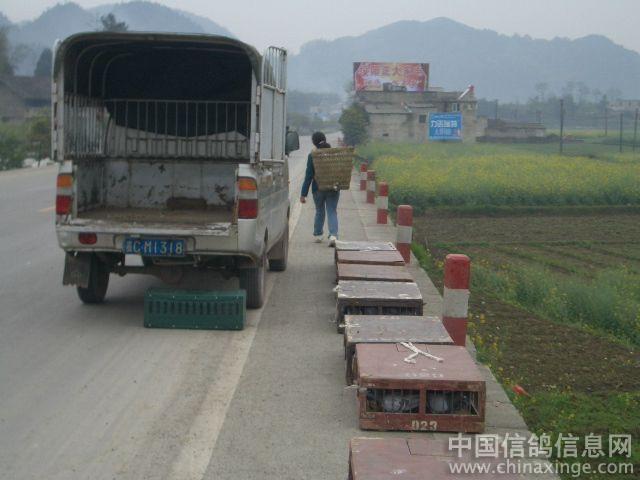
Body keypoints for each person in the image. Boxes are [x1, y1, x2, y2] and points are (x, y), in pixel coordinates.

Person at [300, 131, 340, 246]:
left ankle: (318, 235)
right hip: (333, 188)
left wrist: (303, 194)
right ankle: (333, 235)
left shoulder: (312, 156)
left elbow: (308, 176)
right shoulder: (334, 154)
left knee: (319, 210)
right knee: (332, 211)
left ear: (314, 142)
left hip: (318, 189)